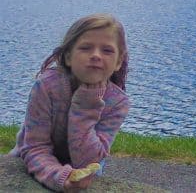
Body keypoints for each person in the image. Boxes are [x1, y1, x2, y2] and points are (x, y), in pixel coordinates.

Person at [9, 13, 131, 191]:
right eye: (86, 47)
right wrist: (59, 177)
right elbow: (35, 147)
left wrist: (87, 105)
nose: (96, 55)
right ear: (67, 56)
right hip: (33, 158)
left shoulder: (117, 103)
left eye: (107, 50)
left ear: (119, 61)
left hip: (82, 166)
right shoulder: (47, 86)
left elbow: (89, 162)